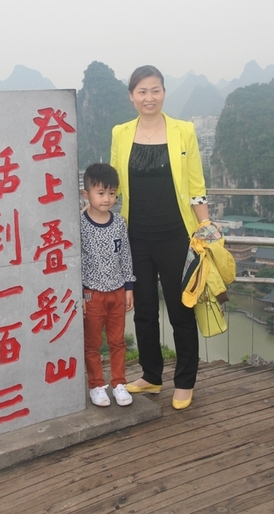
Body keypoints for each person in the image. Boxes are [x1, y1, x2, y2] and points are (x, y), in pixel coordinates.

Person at [111, 65, 218, 410]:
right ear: (131, 96)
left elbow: (196, 186)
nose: (149, 97)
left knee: (180, 310)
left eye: (155, 90)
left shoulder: (183, 131)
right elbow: (113, 188)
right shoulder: (120, 133)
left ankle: (185, 381)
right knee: (144, 312)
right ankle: (151, 375)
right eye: (142, 91)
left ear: (164, 93)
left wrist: (205, 228)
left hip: (175, 236)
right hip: (136, 237)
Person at [80, 163, 136, 407]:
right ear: (86, 194)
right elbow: (75, 260)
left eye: (112, 193)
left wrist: (129, 287)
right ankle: (96, 385)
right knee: (92, 344)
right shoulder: (79, 224)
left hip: (117, 291)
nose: (107, 199)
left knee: (117, 341)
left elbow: (125, 255)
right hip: (91, 293)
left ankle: (119, 383)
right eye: (100, 193)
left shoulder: (119, 223)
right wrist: (79, 294)